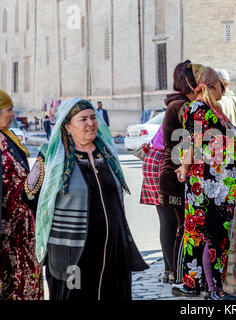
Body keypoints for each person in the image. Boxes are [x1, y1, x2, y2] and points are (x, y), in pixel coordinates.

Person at [24, 98, 148, 300]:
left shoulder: (106, 151)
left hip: (112, 248)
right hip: (72, 250)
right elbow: (29, 196)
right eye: (83, 119)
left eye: (93, 118)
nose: (90, 123)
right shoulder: (52, 156)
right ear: (67, 125)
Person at [173, 64, 236, 300]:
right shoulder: (198, 109)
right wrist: (184, 168)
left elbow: (219, 142)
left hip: (220, 185)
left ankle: (195, 284)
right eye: (220, 86)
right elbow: (192, 146)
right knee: (210, 234)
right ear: (209, 86)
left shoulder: (214, 111)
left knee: (206, 233)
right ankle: (212, 288)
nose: (223, 91)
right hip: (206, 186)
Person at [0, 89, 43, 300]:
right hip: (5, 238)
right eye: (9, 110)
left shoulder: (9, 139)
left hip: (24, 234)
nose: (13, 114)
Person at [158, 60, 197, 285]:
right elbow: (192, 140)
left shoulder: (179, 104)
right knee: (182, 227)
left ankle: (177, 273)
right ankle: (178, 274)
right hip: (175, 173)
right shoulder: (181, 106)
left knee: (180, 226)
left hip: (175, 172)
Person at [139, 126, 176, 284]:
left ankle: (169, 270)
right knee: (170, 220)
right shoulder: (183, 105)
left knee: (167, 220)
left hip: (155, 158)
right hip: (163, 161)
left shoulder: (175, 104)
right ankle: (173, 271)